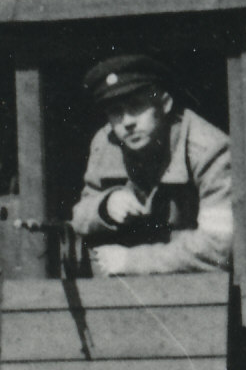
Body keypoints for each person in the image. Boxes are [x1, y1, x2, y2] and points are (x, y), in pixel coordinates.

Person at [68, 55, 235, 275]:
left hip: (197, 289)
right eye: (116, 112)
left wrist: (132, 261)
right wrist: (106, 206)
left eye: (136, 106)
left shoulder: (210, 150)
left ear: (165, 103)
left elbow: (218, 247)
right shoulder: (106, 142)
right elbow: (79, 216)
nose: (127, 122)